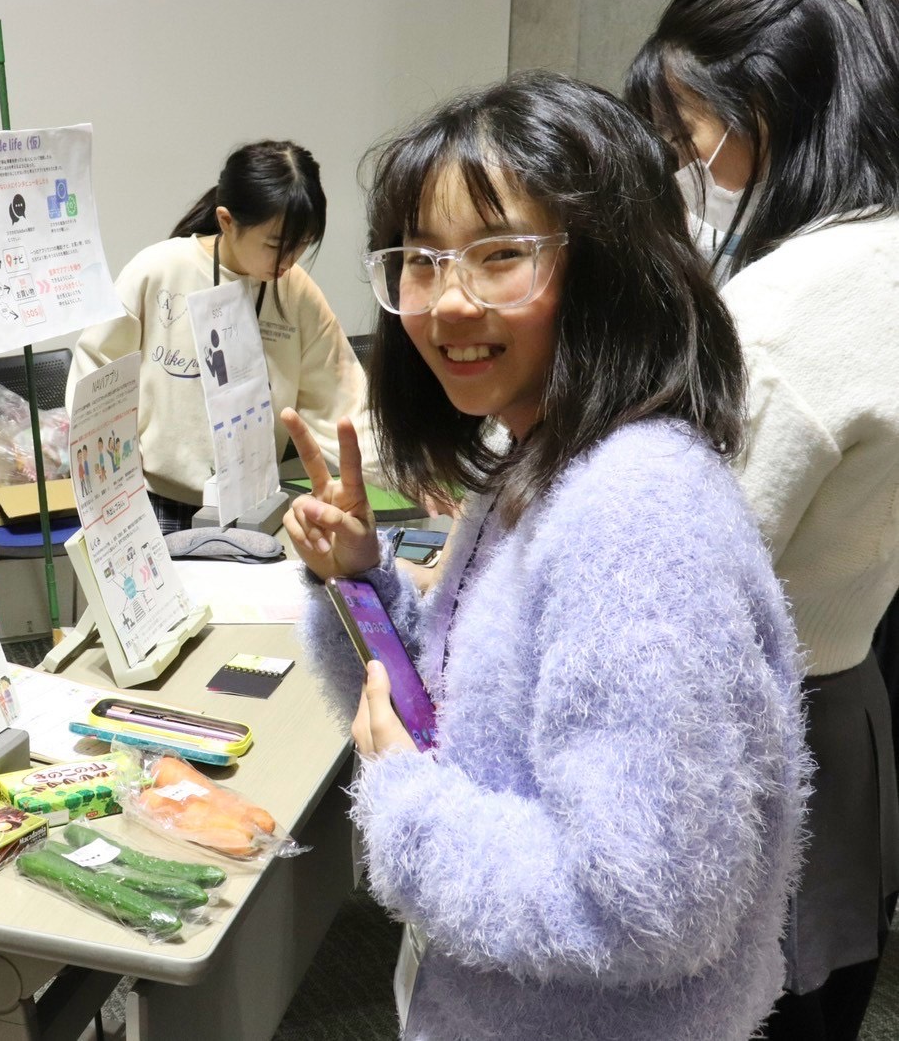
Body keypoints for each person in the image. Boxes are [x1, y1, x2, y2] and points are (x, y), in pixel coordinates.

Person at [285, 72, 807, 1039]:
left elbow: (644, 908)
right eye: (422, 261)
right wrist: (360, 583)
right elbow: (464, 715)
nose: (447, 304)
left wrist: (407, 808)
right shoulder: (541, 456)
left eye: (501, 256)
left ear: (609, 266)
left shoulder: (635, 507)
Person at [626, 0, 899, 1036]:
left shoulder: (788, 307)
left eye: (690, 132)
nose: (690, 163)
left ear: (767, 107)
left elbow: (682, 586)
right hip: (851, 693)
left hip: (745, 736)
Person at [68, 139, 369, 532]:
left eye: (301, 245)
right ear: (226, 221)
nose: (290, 260)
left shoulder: (296, 292)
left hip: (254, 505)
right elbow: (96, 376)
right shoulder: (159, 270)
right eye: (276, 244)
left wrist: (412, 474)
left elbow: (345, 399)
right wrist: (109, 494)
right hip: (153, 503)